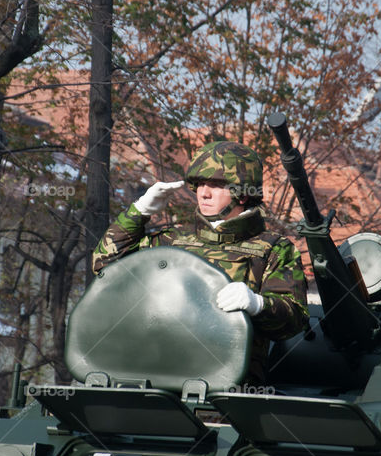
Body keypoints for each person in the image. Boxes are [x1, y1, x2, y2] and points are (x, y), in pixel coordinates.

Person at [92, 140, 308, 384]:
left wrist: (258, 305)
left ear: (244, 193)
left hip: (228, 390)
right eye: (200, 184)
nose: (204, 193)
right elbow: (105, 267)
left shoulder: (274, 249)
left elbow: (294, 322)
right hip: (154, 379)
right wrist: (138, 212)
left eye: (216, 185)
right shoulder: (170, 240)